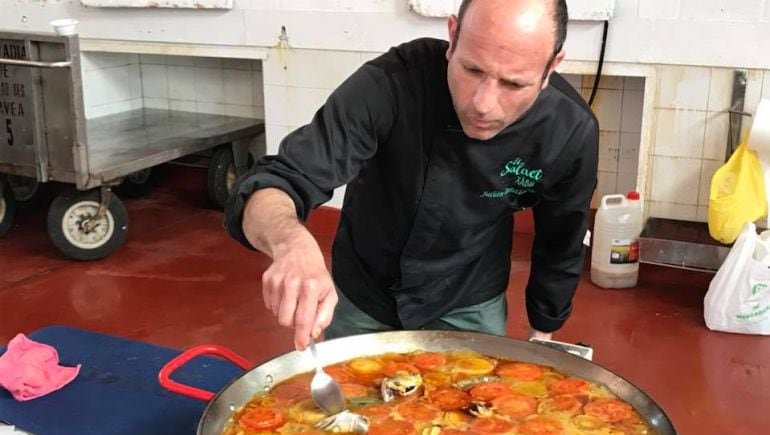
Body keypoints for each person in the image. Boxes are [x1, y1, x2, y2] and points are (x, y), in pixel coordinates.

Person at [225, 0, 598, 351]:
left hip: (469, 298)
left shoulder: (569, 130)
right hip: (364, 292)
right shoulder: (392, 83)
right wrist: (289, 242)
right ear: (452, 37)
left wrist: (544, 332)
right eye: (472, 70)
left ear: (551, 67)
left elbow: (561, 239)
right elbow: (278, 181)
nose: (483, 104)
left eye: (514, 84)